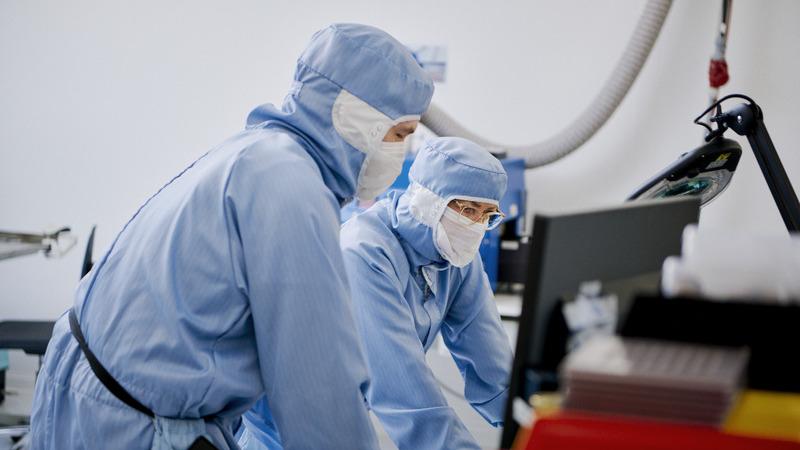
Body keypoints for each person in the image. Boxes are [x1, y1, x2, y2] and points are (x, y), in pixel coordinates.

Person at [30, 23, 433, 450]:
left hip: (84, 392)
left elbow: (260, 355)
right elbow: (319, 388)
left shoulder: (257, 153)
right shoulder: (292, 188)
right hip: (127, 427)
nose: (400, 154)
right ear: (357, 117)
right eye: (399, 135)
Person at [243, 137, 512, 449]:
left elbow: (493, 368)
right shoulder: (364, 251)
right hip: (286, 421)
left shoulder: (458, 255)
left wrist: (539, 424)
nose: (475, 225)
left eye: (486, 215)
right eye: (467, 209)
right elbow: (407, 396)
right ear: (430, 200)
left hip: (345, 413)